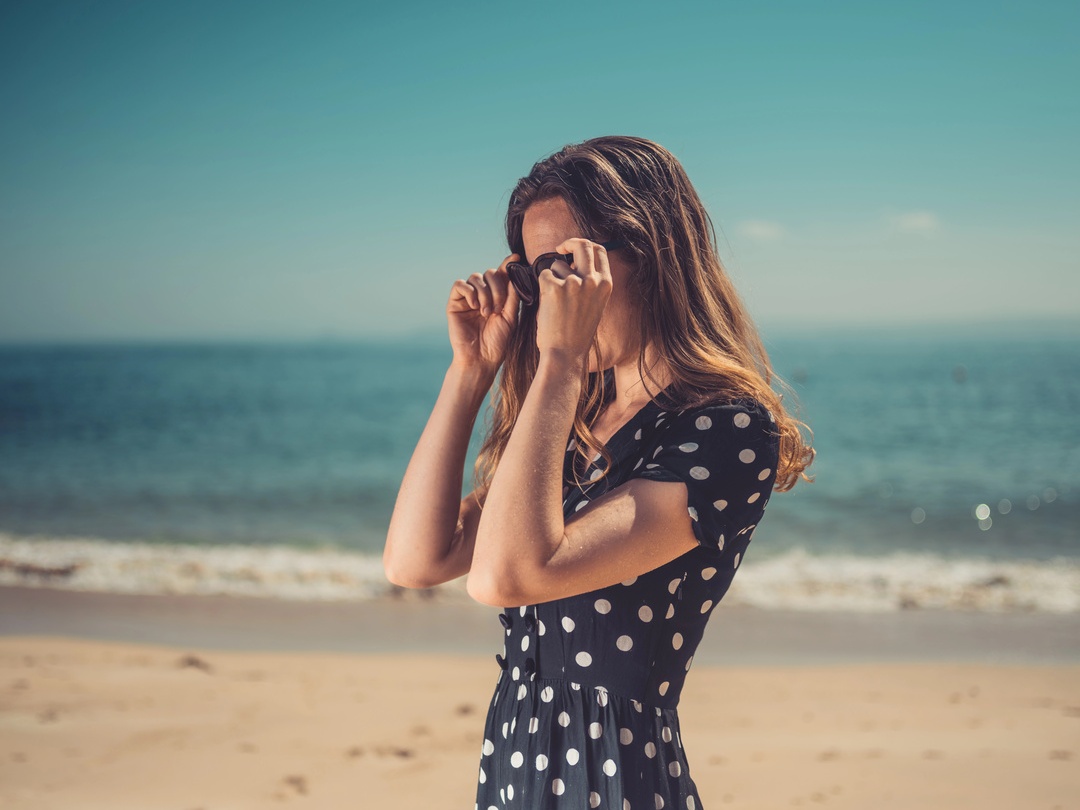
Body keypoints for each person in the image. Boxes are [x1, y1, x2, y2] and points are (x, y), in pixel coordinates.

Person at [384, 135, 814, 810]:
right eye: (534, 275)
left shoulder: (726, 429)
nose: (548, 297)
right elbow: (415, 559)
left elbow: (507, 576)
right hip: (515, 772)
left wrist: (557, 360)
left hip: (614, 781)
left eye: (565, 268)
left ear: (647, 254)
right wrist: (469, 374)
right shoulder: (572, 423)